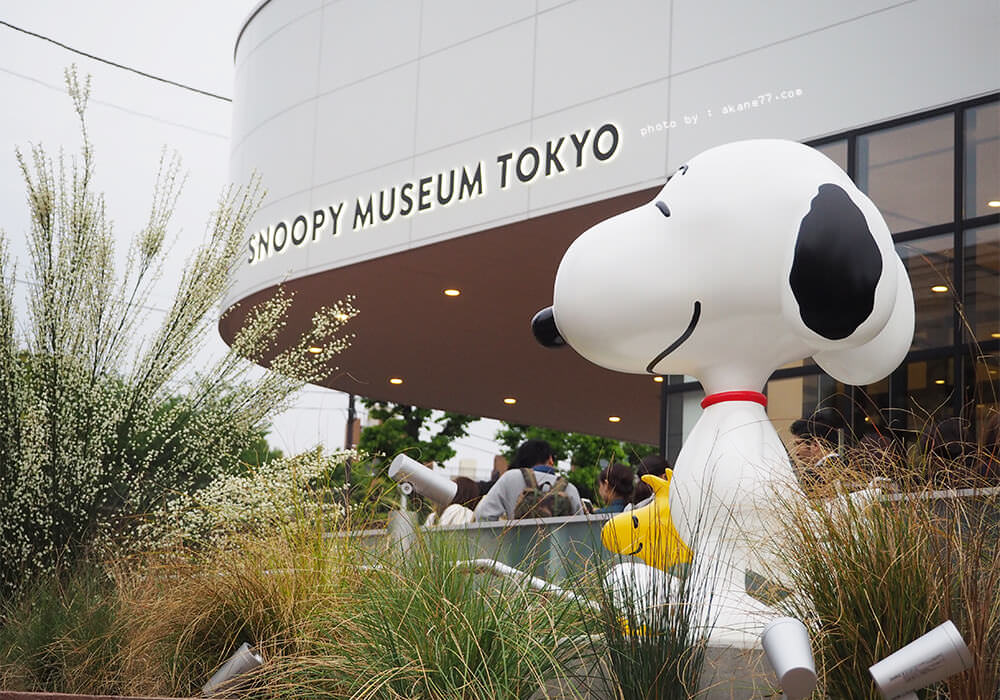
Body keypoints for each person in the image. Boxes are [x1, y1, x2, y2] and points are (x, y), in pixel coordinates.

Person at [473, 439, 583, 520]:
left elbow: (483, 515)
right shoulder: (569, 488)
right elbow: (581, 530)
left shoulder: (510, 478)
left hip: (515, 549)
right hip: (558, 551)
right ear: (550, 459)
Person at [789, 408, 846, 495]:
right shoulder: (848, 465)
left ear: (815, 445)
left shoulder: (813, 476)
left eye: (798, 444)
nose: (795, 450)